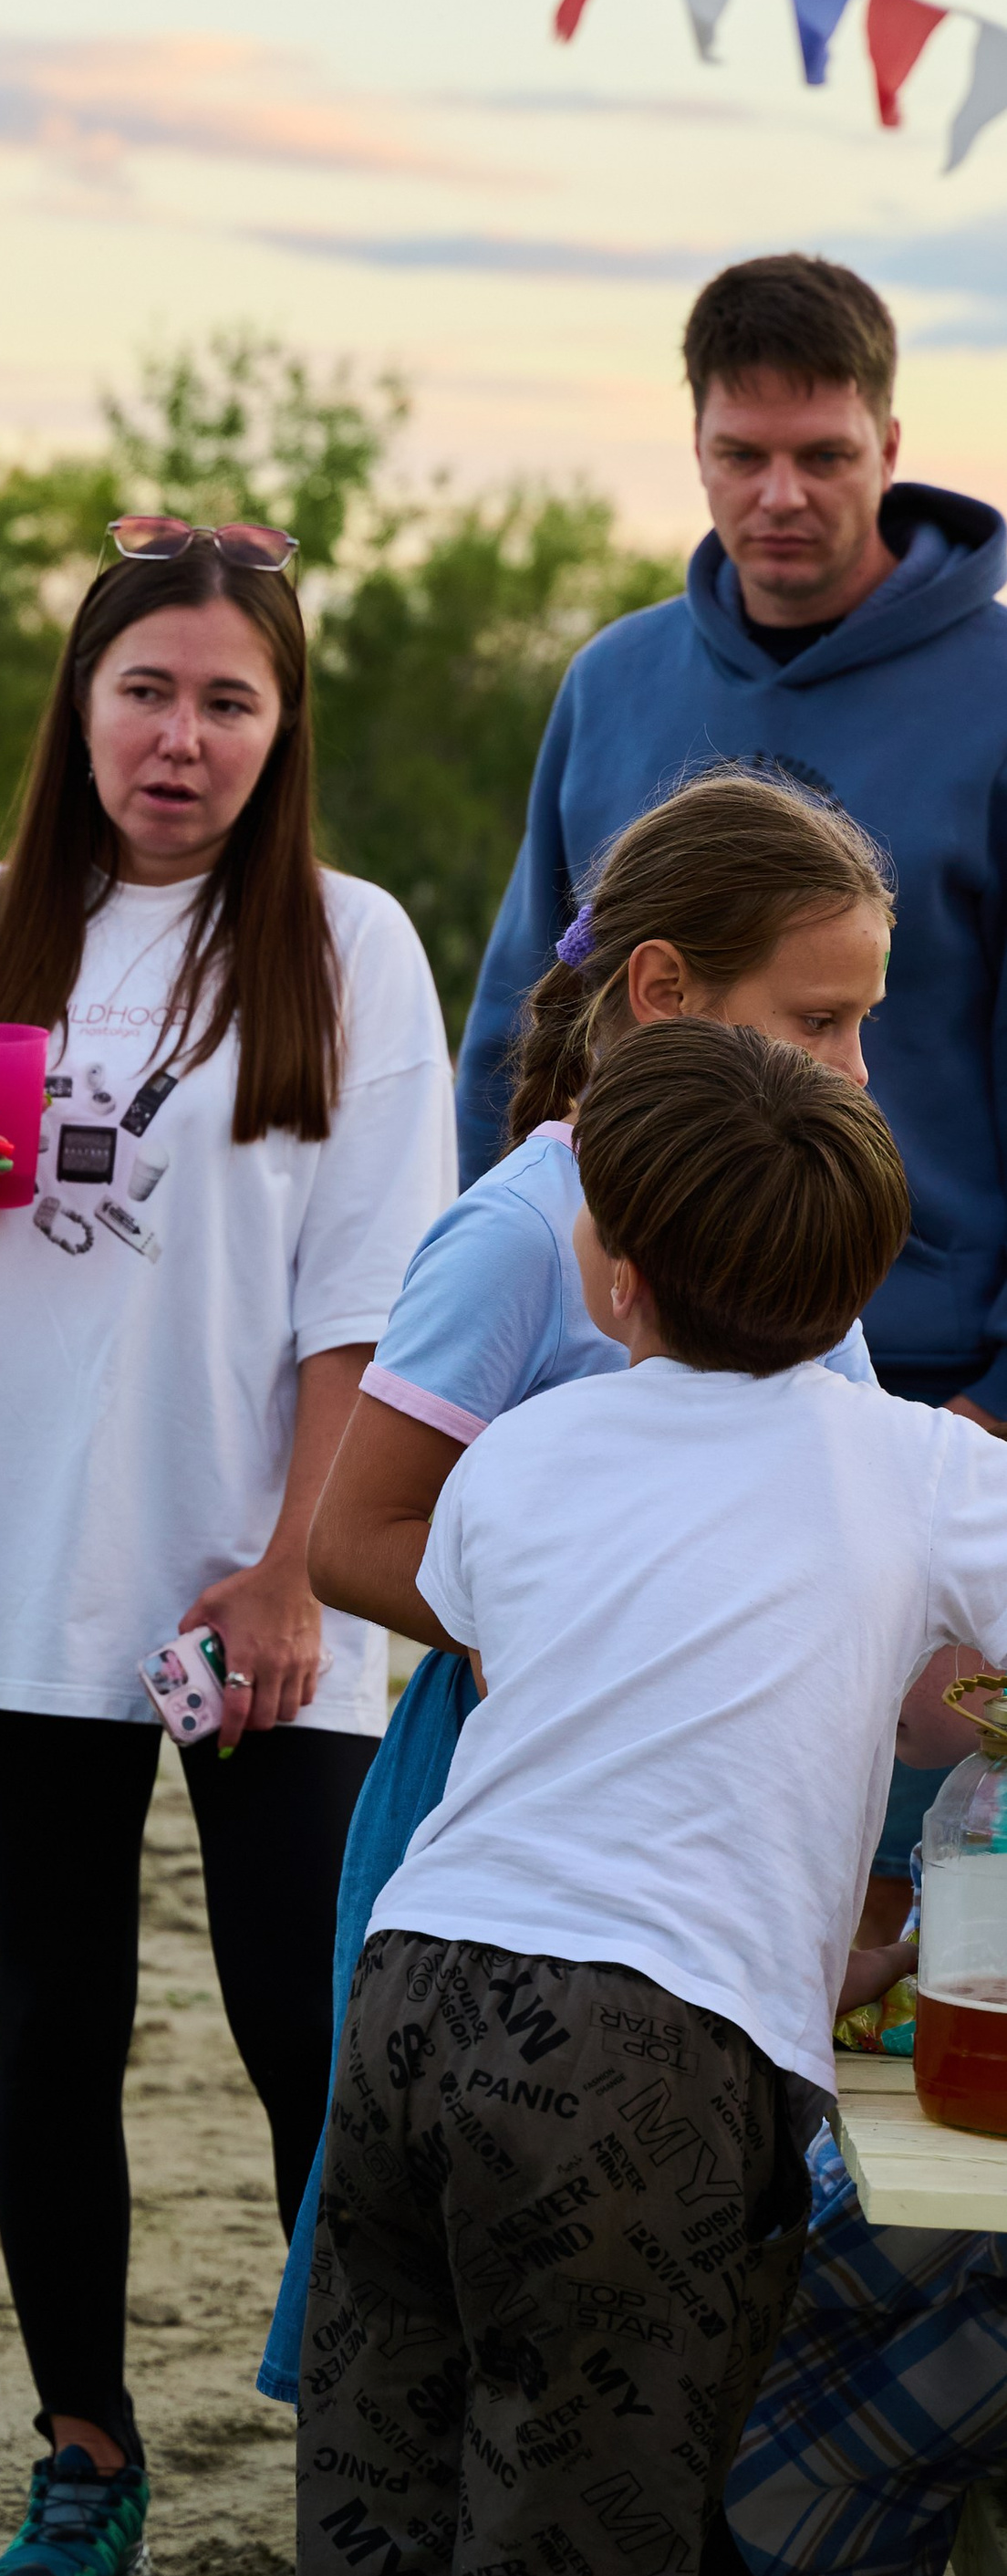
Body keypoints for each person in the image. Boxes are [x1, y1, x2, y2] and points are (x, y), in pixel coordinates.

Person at [0, 516, 455, 2576]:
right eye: (144, 691)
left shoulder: (347, 946)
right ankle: (83, 2448)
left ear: (281, 729)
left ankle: (365, 2473)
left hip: (262, 1581)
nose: (179, 738)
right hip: (24, 1563)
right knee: (51, 2031)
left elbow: (370, 1296)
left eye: (226, 699)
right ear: (78, 709)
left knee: (306, 2029)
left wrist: (289, 1570)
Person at [294, 1020, 1007, 2576]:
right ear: (861, 1284)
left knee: (381, 2519)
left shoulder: (520, 1457)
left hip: (415, 1997)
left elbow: (598, 1708)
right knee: (580, 2566)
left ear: (610, 1278)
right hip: (644, 2068)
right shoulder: (914, 1464)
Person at [259, 767, 893, 2408]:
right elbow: (356, 1538)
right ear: (667, 991)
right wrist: (608, 1636)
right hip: (512, 1808)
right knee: (454, 2312)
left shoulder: (789, 1218)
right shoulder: (523, 1235)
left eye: (861, 1025)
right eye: (815, 1022)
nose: (852, 1068)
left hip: (724, 1818)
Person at [458, 251, 1007, 1436]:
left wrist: (990, 1416)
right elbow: (520, 1024)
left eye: (824, 456)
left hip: (927, 1383)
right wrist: (503, 1304)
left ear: (891, 446)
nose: (780, 495)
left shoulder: (999, 697)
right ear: (696, 445)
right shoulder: (613, 682)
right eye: (742, 456)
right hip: (619, 1365)